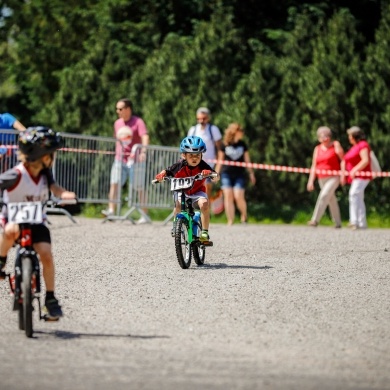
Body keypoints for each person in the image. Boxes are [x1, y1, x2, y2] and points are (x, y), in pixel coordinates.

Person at [0, 126, 77, 319]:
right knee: (9, 231)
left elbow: (55, 188)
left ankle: (50, 298)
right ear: (41, 156)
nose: (52, 158)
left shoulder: (45, 174)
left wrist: (64, 194)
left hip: (36, 221)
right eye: (50, 154)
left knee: (46, 254)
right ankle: (1, 260)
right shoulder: (15, 175)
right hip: (15, 219)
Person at [154, 136, 219, 243]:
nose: (194, 158)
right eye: (191, 155)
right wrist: (161, 175)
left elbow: (216, 176)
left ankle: (205, 232)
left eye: (197, 155)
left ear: (201, 155)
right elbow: (166, 171)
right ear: (184, 155)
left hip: (198, 192)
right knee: (178, 205)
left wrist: (212, 175)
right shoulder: (180, 165)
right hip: (182, 191)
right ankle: (176, 225)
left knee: (204, 204)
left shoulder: (203, 165)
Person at [102, 98, 150, 223]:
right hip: (120, 159)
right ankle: (111, 211)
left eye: (120, 109)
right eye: (117, 109)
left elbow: (144, 136)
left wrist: (143, 151)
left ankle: (144, 215)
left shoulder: (138, 122)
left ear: (128, 109)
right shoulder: (117, 123)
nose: (118, 111)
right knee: (114, 184)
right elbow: (117, 139)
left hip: (136, 160)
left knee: (139, 187)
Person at [214, 123, 256, 225]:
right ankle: (230, 220)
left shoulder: (242, 145)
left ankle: (244, 215)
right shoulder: (224, 145)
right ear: (235, 132)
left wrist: (251, 174)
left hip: (239, 174)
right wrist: (215, 174)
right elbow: (220, 161)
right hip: (226, 174)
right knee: (228, 195)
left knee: (238, 196)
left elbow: (247, 160)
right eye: (240, 131)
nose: (242, 133)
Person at [307, 126, 344, 228]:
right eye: (322, 136)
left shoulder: (335, 145)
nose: (325, 139)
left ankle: (315, 220)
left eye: (327, 136)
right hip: (321, 177)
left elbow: (343, 160)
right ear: (319, 138)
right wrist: (310, 181)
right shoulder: (317, 149)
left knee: (324, 195)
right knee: (331, 199)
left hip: (334, 176)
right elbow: (314, 165)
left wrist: (343, 175)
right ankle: (338, 222)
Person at [340, 126, 372, 230]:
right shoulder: (354, 147)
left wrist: (354, 170)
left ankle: (354, 221)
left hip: (362, 175)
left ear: (354, 136)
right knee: (358, 197)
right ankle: (362, 222)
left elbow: (365, 160)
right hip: (356, 177)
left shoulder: (363, 145)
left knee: (353, 194)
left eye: (350, 135)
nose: (348, 138)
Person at [188, 107, 222, 200]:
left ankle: (205, 214)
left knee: (206, 191)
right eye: (199, 119)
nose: (201, 121)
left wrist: (217, 170)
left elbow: (220, 150)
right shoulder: (193, 130)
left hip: (209, 166)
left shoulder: (213, 130)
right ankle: (195, 213)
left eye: (204, 118)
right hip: (194, 166)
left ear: (208, 118)